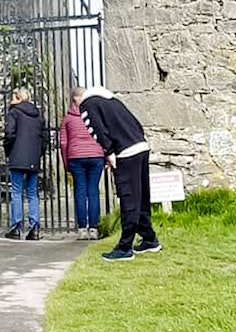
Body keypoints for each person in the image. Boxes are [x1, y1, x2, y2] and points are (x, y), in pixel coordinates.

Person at [77, 86, 161, 261]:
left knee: (129, 199)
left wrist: (109, 152)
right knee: (141, 197)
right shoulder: (112, 101)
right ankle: (149, 238)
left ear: (76, 99)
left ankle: (125, 247)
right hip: (140, 146)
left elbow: (97, 130)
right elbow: (136, 122)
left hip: (125, 152)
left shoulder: (87, 105)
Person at [59, 87, 106, 240]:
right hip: (96, 156)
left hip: (75, 157)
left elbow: (63, 143)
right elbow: (103, 135)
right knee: (93, 191)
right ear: (79, 98)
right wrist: (105, 154)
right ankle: (94, 228)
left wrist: (66, 163)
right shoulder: (95, 115)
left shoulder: (67, 118)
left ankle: (81, 229)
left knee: (80, 192)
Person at [3, 87, 45, 241]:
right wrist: (38, 153)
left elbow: (9, 133)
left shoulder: (13, 113)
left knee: (16, 191)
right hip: (33, 157)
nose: (10, 100)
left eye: (12, 96)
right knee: (32, 192)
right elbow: (44, 137)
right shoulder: (38, 114)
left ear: (18, 98)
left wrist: (8, 150)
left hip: (17, 156)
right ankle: (34, 228)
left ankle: (16, 227)